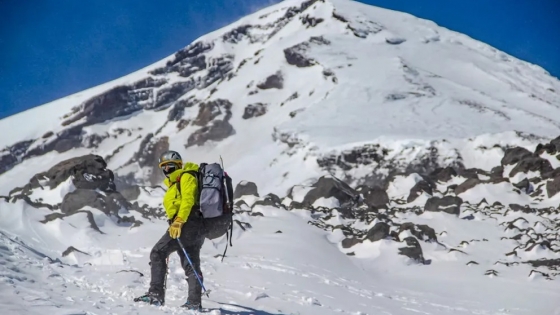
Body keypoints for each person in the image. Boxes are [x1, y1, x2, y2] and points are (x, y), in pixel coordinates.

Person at [134, 150, 205, 310]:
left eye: (170, 166)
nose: (167, 170)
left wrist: (179, 221)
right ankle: (194, 302)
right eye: (164, 167)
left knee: (158, 253)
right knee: (191, 264)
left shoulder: (187, 176)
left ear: (179, 164)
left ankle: (155, 295)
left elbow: (188, 200)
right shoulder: (176, 182)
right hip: (195, 225)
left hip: (186, 224)